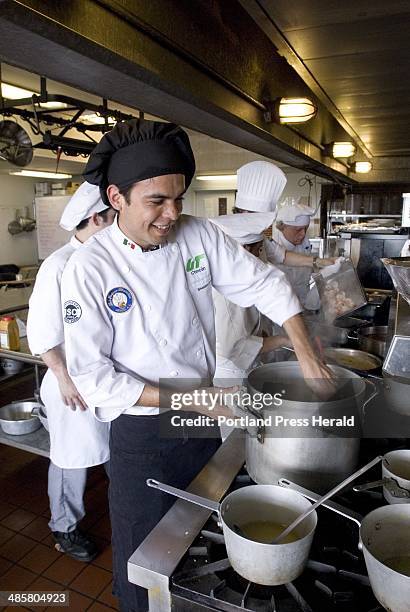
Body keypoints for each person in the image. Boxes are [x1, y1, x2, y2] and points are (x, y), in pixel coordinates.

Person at [60, 119, 334, 611]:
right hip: (144, 433)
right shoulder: (90, 268)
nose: (172, 214)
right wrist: (191, 397)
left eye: (179, 199)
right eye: (157, 202)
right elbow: (95, 380)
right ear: (117, 197)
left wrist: (308, 352)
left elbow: (264, 284)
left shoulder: (197, 235)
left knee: (199, 546)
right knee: (146, 561)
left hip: (201, 419)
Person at [27, 183, 116, 561]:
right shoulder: (58, 265)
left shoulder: (105, 258)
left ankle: (127, 507)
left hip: (104, 380)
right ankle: (64, 529)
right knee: (70, 459)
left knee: (113, 450)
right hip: (70, 384)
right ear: (96, 218)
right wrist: (63, 379)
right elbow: (43, 332)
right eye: (113, 218)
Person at [234, 161, 337, 307]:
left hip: (271, 312)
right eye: (260, 219)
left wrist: (319, 262)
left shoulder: (262, 239)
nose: (263, 227)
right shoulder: (223, 238)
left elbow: (283, 255)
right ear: (242, 213)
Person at [211, 212, 293, 383]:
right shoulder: (228, 286)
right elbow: (233, 348)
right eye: (258, 251)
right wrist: (283, 340)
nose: (259, 256)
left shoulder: (238, 272)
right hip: (229, 372)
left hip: (244, 363)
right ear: (244, 251)